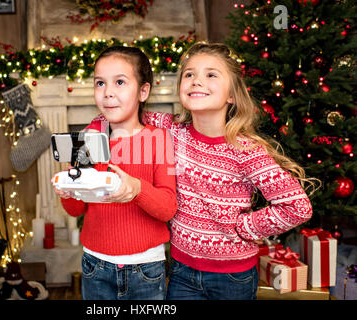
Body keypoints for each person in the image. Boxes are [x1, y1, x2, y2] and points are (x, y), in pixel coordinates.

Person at [89, 42, 317, 300]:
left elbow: (298, 208)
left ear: (231, 95)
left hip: (233, 276)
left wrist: (243, 227)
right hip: (181, 271)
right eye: (189, 74)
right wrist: (93, 132)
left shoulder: (246, 151)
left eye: (210, 75)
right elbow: (118, 111)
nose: (197, 81)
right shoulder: (172, 130)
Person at [53, 46, 177, 300]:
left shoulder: (158, 139)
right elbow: (75, 210)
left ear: (143, 91)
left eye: (119, 82)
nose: (108, 92)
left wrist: (138, 188)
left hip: (146, 268)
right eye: (100, 83)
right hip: (95, 265)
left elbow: (168, 208)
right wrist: (69, 188)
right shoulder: (89, 136)